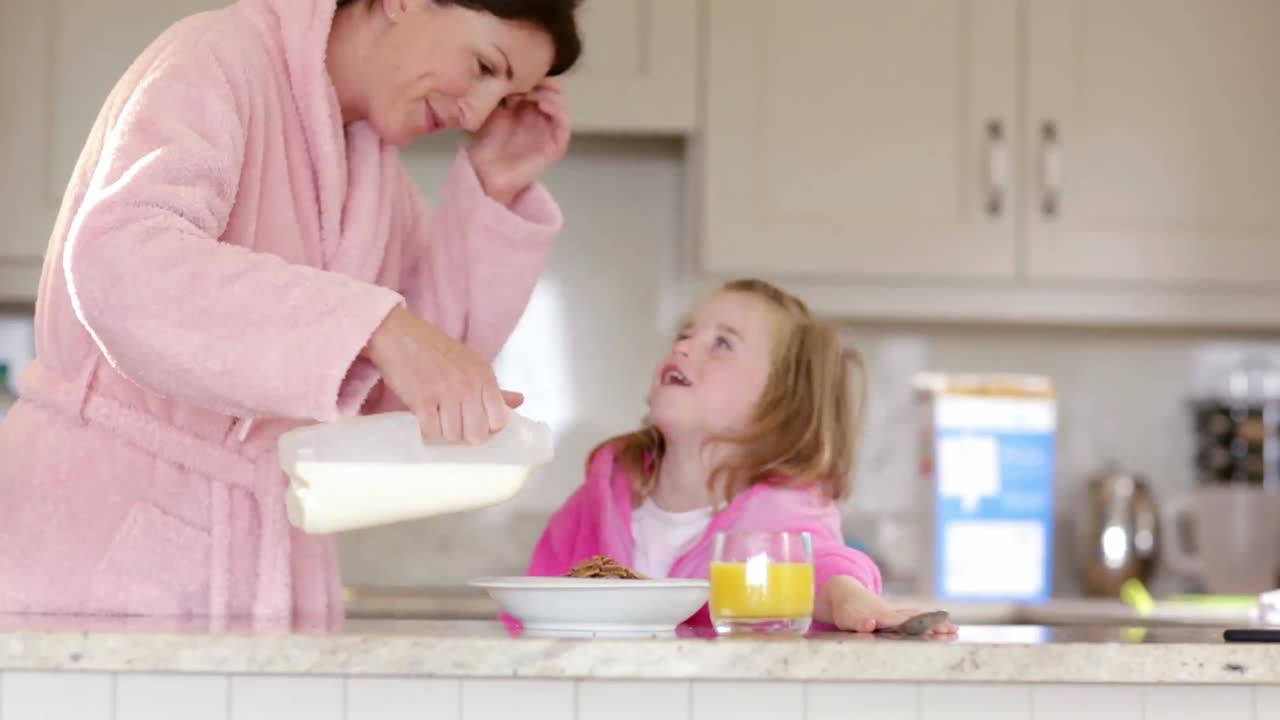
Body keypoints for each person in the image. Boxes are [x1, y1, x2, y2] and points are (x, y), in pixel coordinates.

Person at [0, 0, 582, 624]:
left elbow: (403, 390)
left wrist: (494, 186)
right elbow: (121, 265)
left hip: (263, 568)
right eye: (484, 66)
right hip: (99, 544)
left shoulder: (373, 177)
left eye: (505, 96)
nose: (476, 112)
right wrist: (377, 327)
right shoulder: (217, 59)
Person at [527, 279, 958, 634]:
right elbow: (533, 606)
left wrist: (850, 599)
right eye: (685, 334)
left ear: (781, 401)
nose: (683, 348)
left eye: (722, 344)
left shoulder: (779, 515)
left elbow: (818, 570)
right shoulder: (600, 496)